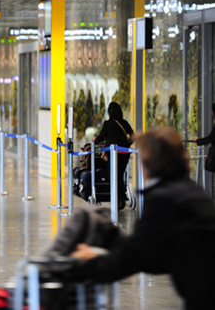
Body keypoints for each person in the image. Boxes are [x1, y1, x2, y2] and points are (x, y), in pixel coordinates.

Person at [71, 127, 215, 310]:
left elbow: (134, 258)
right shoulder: (192, 191)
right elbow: (158, 256)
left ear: (147, 163)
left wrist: (92, 262)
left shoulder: (163, 198)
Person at [94, 101, 134, 207]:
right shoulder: (124, 123)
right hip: (124, 153)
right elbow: (133, 135)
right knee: (120, 175)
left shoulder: (108, 123)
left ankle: (116, 200)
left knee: (112, 175)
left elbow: (101, 136)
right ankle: (121, 199)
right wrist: (126, 144)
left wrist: (95, 142)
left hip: (113, 153)